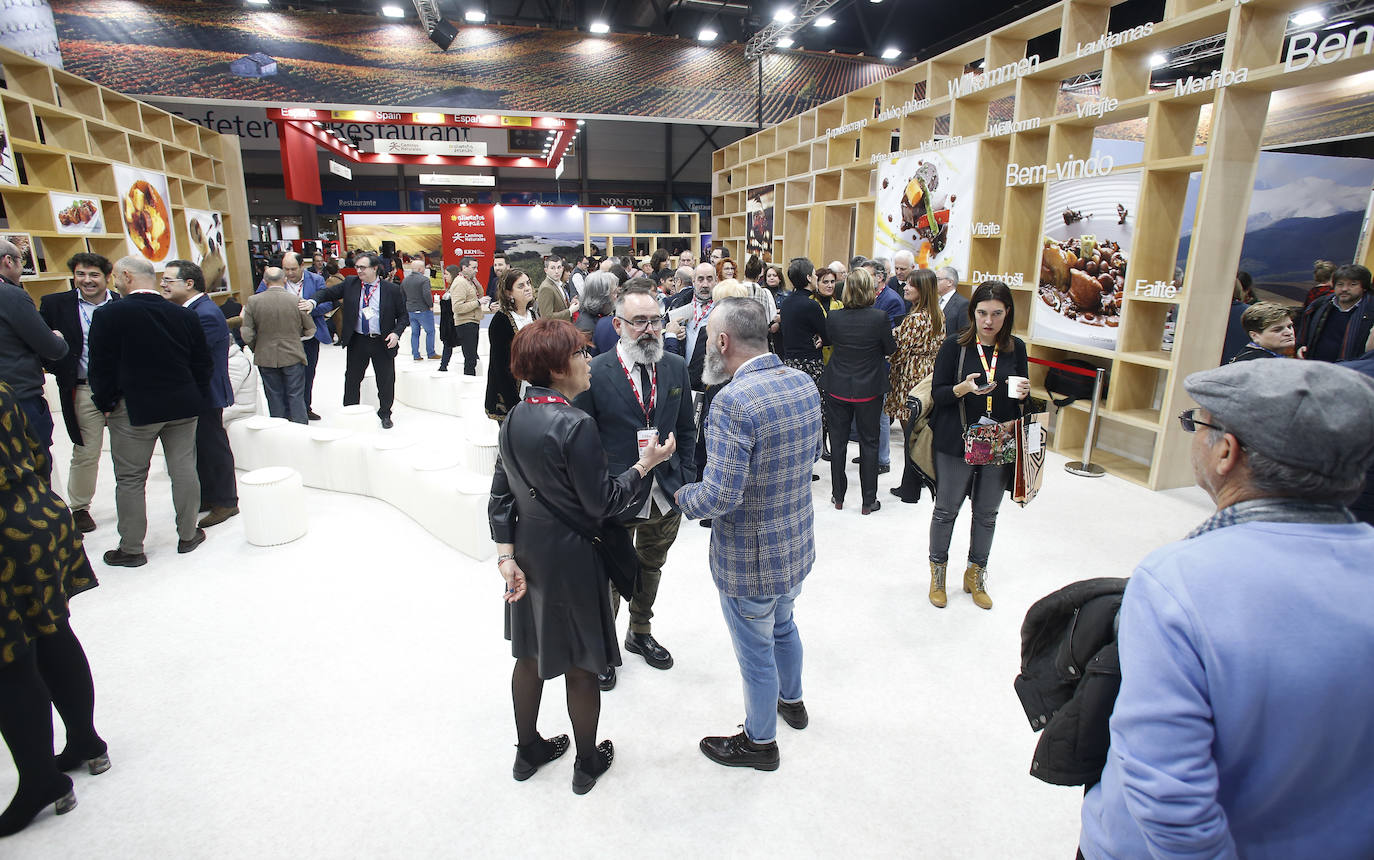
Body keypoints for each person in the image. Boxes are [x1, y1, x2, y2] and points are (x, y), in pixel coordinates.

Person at [1078, 359, 1374, 860]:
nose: (1193, 434)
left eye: (1197, 423)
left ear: (1226, 452)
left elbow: (1169, 794)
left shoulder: (1181, 581)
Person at [491, 318, 676, 795]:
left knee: (529, 653)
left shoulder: (513, 417)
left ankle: (526, 749)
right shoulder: (576, 423)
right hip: (573, 558)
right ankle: (587, 761)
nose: (586, 362)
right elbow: (604, 503)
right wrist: (645, 465)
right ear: (556, 368)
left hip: (530, 555)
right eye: (578, 355)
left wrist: (505, 556)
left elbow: (501, 494)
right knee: (581, 662)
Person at [676, 298, 823, 771]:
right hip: (796, 545)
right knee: (784, 625)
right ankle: (792, 702)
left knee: (756, 652)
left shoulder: (732, 402)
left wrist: (681, 496)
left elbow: (720, 496)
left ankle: (760, 744)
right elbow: (811, 456)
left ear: (723, 341)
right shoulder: (802, 382)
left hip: (750, 559)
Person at [572, 284, 697, 690]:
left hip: (666, 491)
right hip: (616, 492)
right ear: (618, 324)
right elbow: (582, 438)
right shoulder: (595, 372)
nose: (649, 329)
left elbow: (686, 428)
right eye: (639, 321)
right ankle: (606, 645)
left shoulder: (675, 367)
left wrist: (687, 478)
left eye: (656, 320)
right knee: (608, 574)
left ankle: (639, 632)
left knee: (651, 565)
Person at [0, 381, 105, 839]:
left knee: (9, 662)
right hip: (36, 516)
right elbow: (38, 445)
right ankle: (85, 740)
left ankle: (42, 780)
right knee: (52, 630)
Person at [88, 256, 212, 566]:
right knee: (183, 468)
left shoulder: (108, 315)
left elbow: (100, 368)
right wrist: (192, 393)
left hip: (134, 408)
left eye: (116, 276)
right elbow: (203, 364)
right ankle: (188, 534)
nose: (114, 281)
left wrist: (105, 403)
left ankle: (131, 548)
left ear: (127, 276)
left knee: (130, 478)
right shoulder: (183, 315)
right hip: (183, 404)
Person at [927, 280, 1029, 610]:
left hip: (997, 442)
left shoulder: (1016, 348)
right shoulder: (954, 346)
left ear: (1007, 314)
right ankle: (938, 575)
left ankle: (976, 573)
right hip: (957, 440)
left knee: (987, 514)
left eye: (997, 314)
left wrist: (1025, 398)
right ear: (973, 313)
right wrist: (963, 389)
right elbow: (937, 394)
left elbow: (1019, 400)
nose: (988, 321)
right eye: (982, 313)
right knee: (946, 511)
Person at [39, 253, 117, 533]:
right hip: (82, 389)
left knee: (128, 450)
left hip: (121, 392)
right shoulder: (55, 305)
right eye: (81, 274)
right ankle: (80, 507)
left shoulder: (122, 304)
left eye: (94, 275)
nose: (87, 280)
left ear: (106, 277)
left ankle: (129, 499)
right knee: (85, 451)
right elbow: (41, 343)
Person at [162, 260, 239, 529]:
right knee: (201, 446)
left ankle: (226, 501)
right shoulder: (190, 310)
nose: (163, 285)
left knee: (212, 445)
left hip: (205, 391)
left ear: (189, 283)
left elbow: (194, 356)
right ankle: (209, 496)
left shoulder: (203, 313)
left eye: (168, 281)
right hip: (196, 391)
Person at [820, 267, 896, 514]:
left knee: (838, 442)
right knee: (869, 443)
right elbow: (890, 348)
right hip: (869, 388)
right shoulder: (880, 317)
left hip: (837, 385)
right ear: (870, 289)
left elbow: (829, 341)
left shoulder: (834, 317)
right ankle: (868, 501)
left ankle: (838, 496)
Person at [308, 252, 409, 429]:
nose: (359, 271)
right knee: (352, 379)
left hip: (382, 341)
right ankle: (350, 412)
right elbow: (327, 293)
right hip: (358, 340)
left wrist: (396, 333)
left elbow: (403, 316)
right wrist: (312, 302)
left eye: (363, 267)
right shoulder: (350, 284)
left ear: (375, 268)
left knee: (385, 380)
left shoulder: (391, 289)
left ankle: (385, 413)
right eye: (357, 267)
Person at [0, 238, 68, 482]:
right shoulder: (10, 295)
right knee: (33, 472)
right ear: (9, 261)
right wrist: (57, 337)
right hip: (18, 399)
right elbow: (50, 347)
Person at [887, 268, 945, 503]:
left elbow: (899, 352)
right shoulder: (938, 314)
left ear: (922, 290)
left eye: (911, 285)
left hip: (909, 378)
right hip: (928, 375)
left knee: (910, 433)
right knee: (919, 433)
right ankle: (918, 480)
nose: (906, 288)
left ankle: (909, 487)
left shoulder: (915, 319)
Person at [258, 252, 333, 420]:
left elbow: (328, 302)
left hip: (308, 338)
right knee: (282, 376)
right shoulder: (274, 280)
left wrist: (309, 307)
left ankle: (304, 408)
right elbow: (259, 301)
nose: (289, 273)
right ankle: (285, 413)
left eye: (293, 269)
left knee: (307, 374)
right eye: (286, 269)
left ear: (302, 266)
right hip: (282, 339)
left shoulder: (316, 280)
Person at [241, 266, 315, 423]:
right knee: (296, 395)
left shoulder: (253, 301)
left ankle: (278, 430)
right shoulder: (296, 301)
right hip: (293, 355)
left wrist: (258, 346)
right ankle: (300, 429)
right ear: (284, 280)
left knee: (273, 396)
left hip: (265, 356)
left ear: (265, 281)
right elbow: (310, 330)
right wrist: (296, 337)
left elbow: (247, 333)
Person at [485, 269, 539, 422]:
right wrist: (514, 405)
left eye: (528, 283)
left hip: (533, 387)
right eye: (521, 286)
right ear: (509, 293)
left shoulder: (532, 315)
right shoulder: (501, 321)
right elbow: (500, 367)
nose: (527, 288)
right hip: (510, 392)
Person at [1296, 263, 1373, 363]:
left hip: (1354, 371)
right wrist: (1301, 347)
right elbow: (1304, 333)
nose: (1344, 289)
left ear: (1364, 287)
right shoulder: (1319, 305)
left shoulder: (1370, 311)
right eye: (1340, 284)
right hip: (1315, 366)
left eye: (1352, 284)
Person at [438, 258, 482, 374]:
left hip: (472, 321)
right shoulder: (460, 283)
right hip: (465, 323)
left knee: (472, 357)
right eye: (473, 268)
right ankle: (468, 382)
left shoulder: (468, 281)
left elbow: (479, 295)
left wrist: (477, 284)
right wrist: (478, 303)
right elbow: (457, 307)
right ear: (464, 268)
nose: (476, 270)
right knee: (470, 359)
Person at [1229, 301, 1296, 362]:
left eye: (1289, 326)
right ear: (1254, 336)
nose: (1289, 332)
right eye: (1277, 330)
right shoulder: (1257, 363)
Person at [401, 260, 438, 362]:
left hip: (411, 311)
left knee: (415, 333)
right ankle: (431, 353)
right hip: (423, 310)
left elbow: (402, 295)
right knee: (430, 331)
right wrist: (430, 305)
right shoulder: (424, 280)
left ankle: (416, 355)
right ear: (420, 269)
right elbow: (427, 294)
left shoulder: (405, 280)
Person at [536, 256, 579, 322]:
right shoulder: (546, 288)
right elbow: (546, 317)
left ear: (562, 268)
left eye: (559, 267)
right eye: (552, 268)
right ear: (546, 270)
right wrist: (570, 311)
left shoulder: (559, 284)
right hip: (555, 330)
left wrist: (570, 305)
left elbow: (559, 308)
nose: (556, 271)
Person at [936, 266, 969, 341]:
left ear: (950, 282)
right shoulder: (936, 301)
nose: (934, 282)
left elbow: (963, 333)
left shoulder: (963, 304)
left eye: (938, 279)